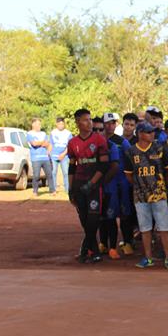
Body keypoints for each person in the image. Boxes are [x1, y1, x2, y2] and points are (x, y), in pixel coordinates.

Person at [122, 122, 168, 269]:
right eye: (148, 132)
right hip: (140, 196)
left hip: (158, 194)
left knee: (164, 226)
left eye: (152, 132)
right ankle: (148, 258)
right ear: (140, 134)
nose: (152, 134)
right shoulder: (131, 152)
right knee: (144, 228)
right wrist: (140, 186)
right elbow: (128, 175)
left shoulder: (160, 148)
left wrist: (160, 184)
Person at [67, 109, 110, 263]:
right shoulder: (72, 143)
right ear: (78, 122)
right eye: (85, 120)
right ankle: (93, 251)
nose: (89, 123)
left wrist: (92, 183)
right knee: (84, 219)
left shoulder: (99, 140)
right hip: (79, 184)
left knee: (94, 218)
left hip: (93, 185)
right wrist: (70, 189)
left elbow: (104, 166)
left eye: (90, 119)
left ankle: (87, 249)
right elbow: (71, 167)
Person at [98, 112, 130, 260]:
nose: (110, 126)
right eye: (108, 123)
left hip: (121, 182)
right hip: (105, 183)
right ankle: (104, 243)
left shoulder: (121, 141)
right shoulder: (99, 141)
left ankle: (127, 242)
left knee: (124, 214)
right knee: (105, 215)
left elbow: (130, 158)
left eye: (113, 123)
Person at [27, 118, 55, 196]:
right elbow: (34, 144)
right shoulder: (29, 134)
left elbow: (48, 144)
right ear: (33, 124)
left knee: (49, 174)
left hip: (45, 158)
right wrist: (42, 143)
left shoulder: (43, 133)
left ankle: (52, 191)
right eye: (38, 124)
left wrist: (48, 151)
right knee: (36, 176)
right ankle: (35, 191)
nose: (39, 126)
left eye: (40, 124)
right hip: (36, 158)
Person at [50, 117, 72, 192]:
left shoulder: (68, 133)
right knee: (53, 172)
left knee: (66, 173)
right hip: (54, 156)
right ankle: (53, 189)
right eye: (59, 124)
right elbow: (51, 144)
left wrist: (63, 154)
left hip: (64, 156)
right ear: (56, 124)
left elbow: (70, 146)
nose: (61, 125)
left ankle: (67, 189)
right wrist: (50, 155)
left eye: (62, 124)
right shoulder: (53, 133)